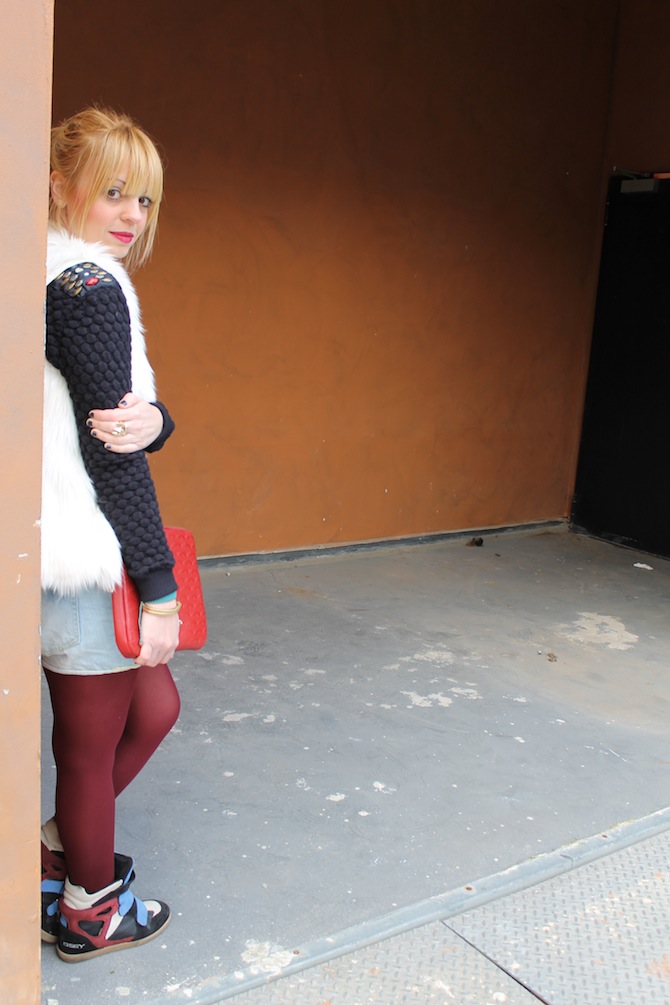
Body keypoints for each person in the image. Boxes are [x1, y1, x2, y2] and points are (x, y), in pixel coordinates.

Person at [40, 107, 181, 962]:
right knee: (90, 750)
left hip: (73, 543)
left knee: (154, 707)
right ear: (59, 185)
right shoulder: (88, 287)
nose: (132, 215)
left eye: (146, 199)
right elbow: (112, 457)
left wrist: (158, 420)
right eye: (114, 192)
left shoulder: (52, 276)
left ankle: (53, 847)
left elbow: (122, 420)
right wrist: (159, 588)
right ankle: (90, 909)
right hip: (82, 554)